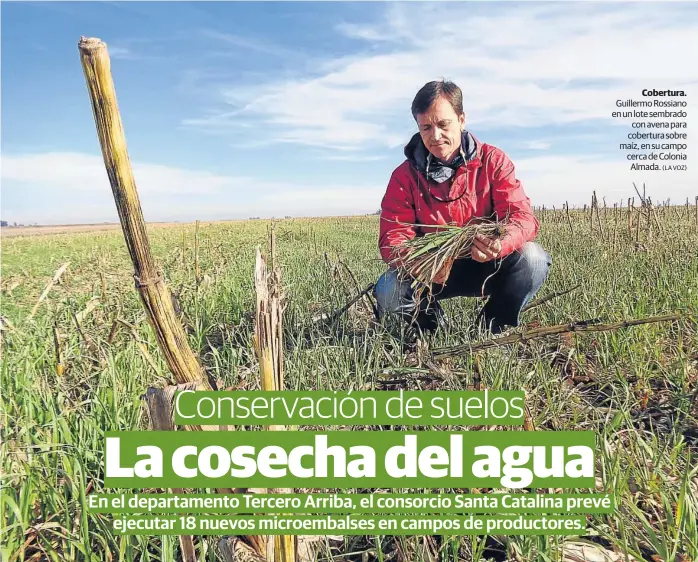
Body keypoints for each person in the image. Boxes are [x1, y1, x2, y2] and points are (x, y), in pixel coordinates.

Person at [374, 79, 552, 335]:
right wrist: (419, 262)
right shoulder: (404, 176)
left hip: (489, 263)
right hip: (433, 270)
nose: (435, 136)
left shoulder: (493, 160)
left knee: (533, 259)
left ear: (461, 119)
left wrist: (499, 244)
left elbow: (521, 217)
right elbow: (392, 237)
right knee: (388, 288)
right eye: (426, 127)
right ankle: (430, 327)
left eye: (443, 124)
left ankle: (493, 326)